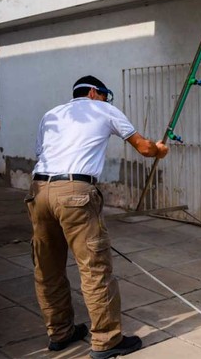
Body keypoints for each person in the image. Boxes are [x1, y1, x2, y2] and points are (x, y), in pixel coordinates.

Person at [26, 75, 169, 359]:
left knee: (47, 268)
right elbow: (144, 147)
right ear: (94, 92)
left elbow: (42, 153)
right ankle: (107, 340)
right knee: (94, 267)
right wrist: (159, 150)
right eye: (104, 95)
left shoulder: (51, 114)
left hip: (39, 191)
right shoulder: (104, 109)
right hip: (75, 192)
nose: (105, 100)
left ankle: (60, 333)